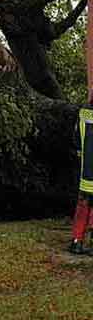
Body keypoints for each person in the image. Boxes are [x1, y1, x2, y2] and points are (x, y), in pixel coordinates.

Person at [70, 101, 93, 254]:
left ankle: (77, 241)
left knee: (83, 203)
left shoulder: (83, 112)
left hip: (86, 171)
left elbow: (77, 139)